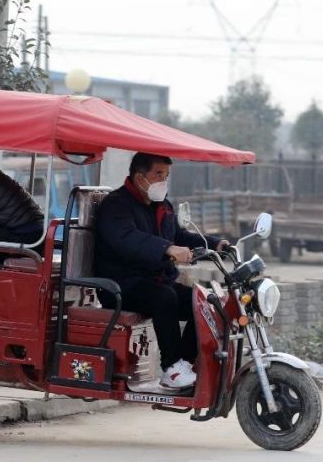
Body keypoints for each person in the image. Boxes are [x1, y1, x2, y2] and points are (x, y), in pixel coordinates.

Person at [94, 152, 227, 390]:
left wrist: (214, 243)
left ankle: (183, 366)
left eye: (166, 175)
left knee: (205, 302)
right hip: (121, 284)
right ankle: (171, 366)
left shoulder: (162, 205)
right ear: (139, 176)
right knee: (165, 298)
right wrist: (167, 249)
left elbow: (179, 236)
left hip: (155, 280)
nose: (163, 180)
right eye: (158, 174)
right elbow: (127, 239)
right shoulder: (116, 205)